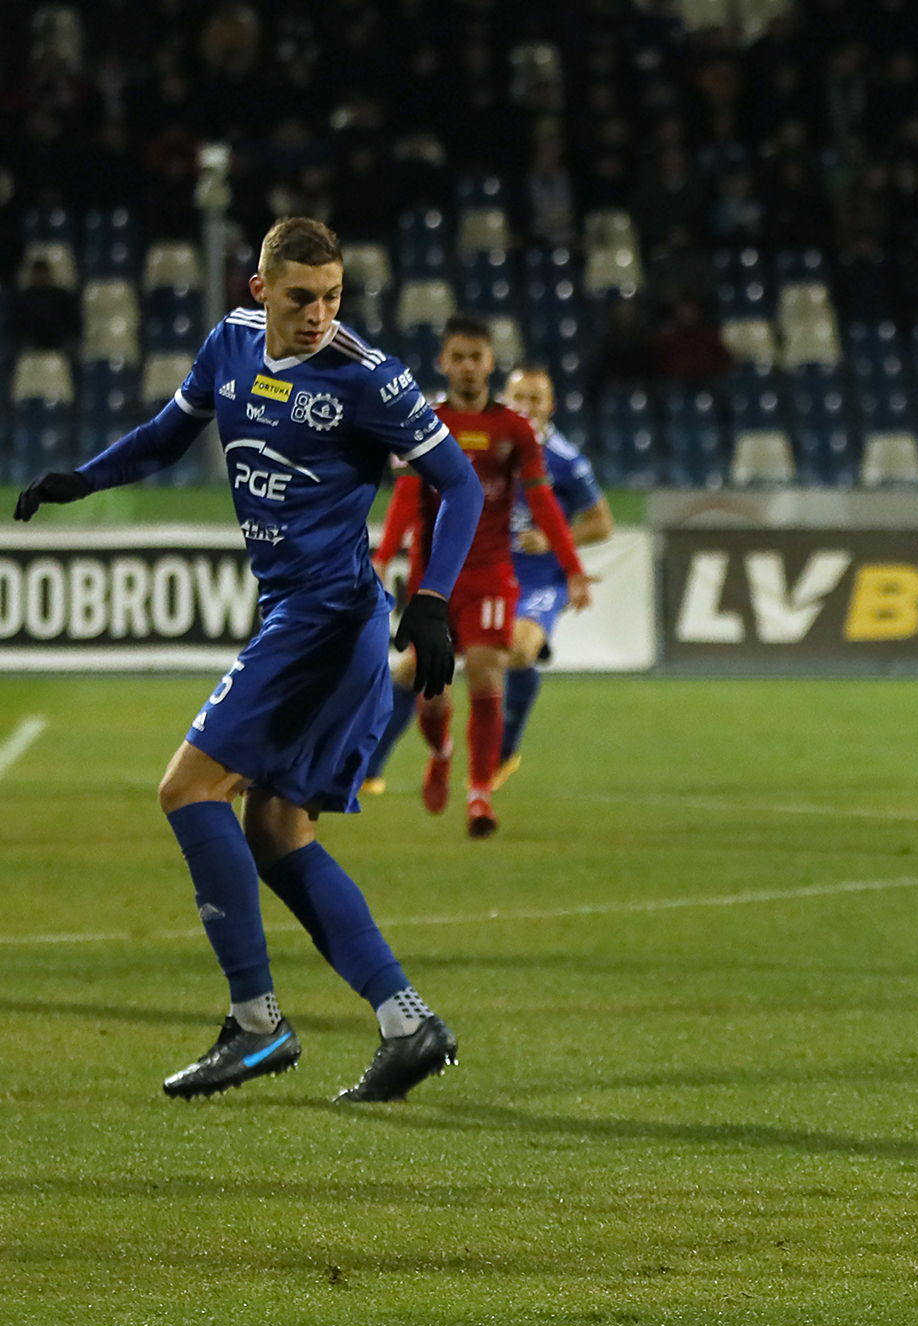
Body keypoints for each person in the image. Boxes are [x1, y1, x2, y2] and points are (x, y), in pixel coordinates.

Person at [11, 217, 483, 1103]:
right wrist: (85, 476)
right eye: (302, 297)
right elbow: (165, 435)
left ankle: (258, 1022)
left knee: (188, 789)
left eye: (333, 297)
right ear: (260, 290)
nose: (320, 315)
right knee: (274, 829)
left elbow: (459, 482)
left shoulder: (367, 376)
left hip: (327, 622)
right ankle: (406, 1021)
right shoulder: (229, 343)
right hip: (300, 618)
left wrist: (431, 599)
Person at [366, 317, 591, 837]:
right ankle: (441, 753)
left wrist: (573, 568)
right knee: (431, 693)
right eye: (458, 357)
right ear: (443, 363)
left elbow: (543, 501)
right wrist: (383, 558)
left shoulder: (515, 430)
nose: (468, 366)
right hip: (433, 578)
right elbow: (405, 498)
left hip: (490, 573)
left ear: (491, 363)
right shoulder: (421, 422)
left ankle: (479, 794)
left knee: (488, 671)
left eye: (476, 357)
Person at [494, 365, 611, 787]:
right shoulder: (485, 445)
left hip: (540, 579)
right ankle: (367, 772)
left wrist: (552, 539)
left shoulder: (566, 461)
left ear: (551, 405)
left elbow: (602, 523)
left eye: (535, 399)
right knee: (412, 666)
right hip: (488, 572)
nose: (526, 407)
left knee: (520, 650)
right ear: (504, 401)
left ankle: (504, 751)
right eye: (518, 398)